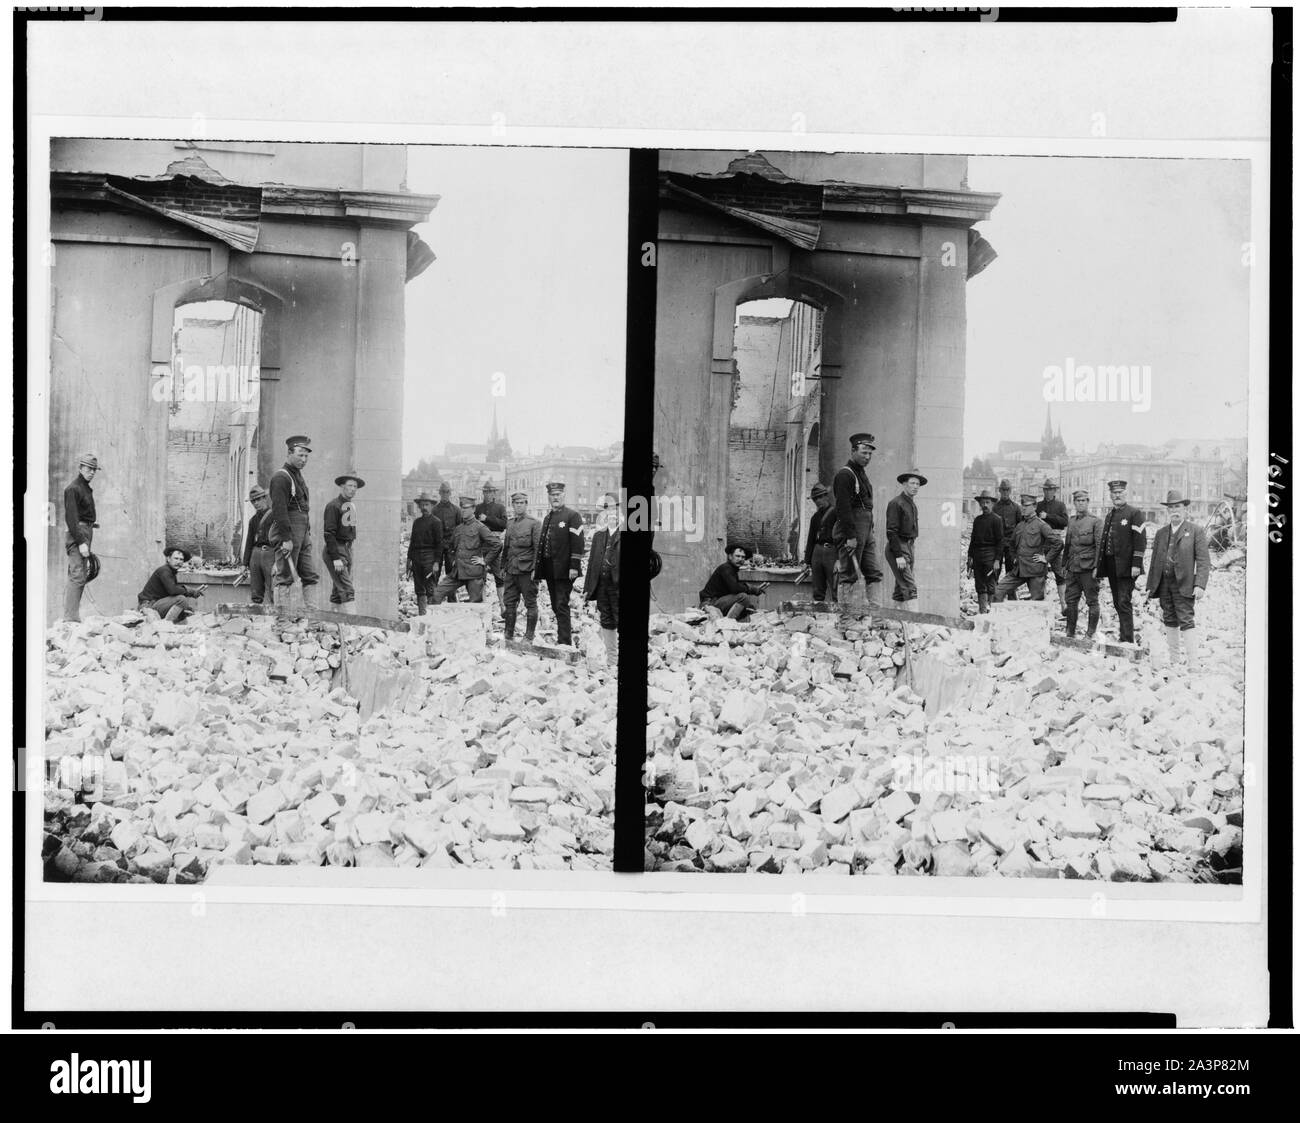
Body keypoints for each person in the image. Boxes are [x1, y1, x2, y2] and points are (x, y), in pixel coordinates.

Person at [1145, 490, 1210, 671]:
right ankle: (1174, 660)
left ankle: (1193, 662)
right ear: (1167, 510)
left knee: (1186, 620)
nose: (1175, 510)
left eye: (1178, 506)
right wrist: (1151, 586)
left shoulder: (1196, 531)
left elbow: (1204, 561)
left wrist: (1200, 585)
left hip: (1186, 583)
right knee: (1169, 619)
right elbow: (1154, 561)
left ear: (1184, 509)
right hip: (1164, 583)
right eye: (1171, 507)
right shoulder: (1160, 533)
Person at [267, 435, 320, 611]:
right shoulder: (281, 477)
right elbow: (279, 511)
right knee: (285, 576)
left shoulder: (298, 476)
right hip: (289, 532)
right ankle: (283, 622)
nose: (304, 460)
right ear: (289, 453)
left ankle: (313, 620)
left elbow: (303, 509)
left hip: (302, 532)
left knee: (310, 574)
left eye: (306, 456)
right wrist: (286, 539)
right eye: (300, 455)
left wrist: (306, 534)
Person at [831, 432, 884, 605]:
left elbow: (867, 507)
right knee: (849, 574)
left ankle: (876, 617)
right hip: (852, 530)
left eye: (870, 454)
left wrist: (870, 529)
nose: (868, 457)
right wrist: (851, 536)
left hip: (866, 530)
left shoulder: (861, 473)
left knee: (874, 572)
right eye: (864, 453)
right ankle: (847, 620)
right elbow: (843, 509)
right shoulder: (845, 475)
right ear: (853, 451)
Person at [1094, 479, 1147, 644]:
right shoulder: (1110, 514)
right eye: (1114, 493)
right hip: (1111, 566)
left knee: (1124, 601)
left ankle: (1127, 640)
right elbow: (1104, 543)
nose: (1117, 495)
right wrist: (1099, 566)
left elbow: (1141, 541)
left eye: (1120, 492)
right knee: (1118, 602)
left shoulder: (1134, 513)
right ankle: (1124, 636)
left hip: (1127, 567)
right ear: (1110, 495)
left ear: (1126, 493)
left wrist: (1136, 565)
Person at [533, 481, 585, 645]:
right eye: (552, 495)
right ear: (548, 497)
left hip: (564, 570)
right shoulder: (548, 517)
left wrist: (574, 567)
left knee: (561, 604)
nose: (555, 498)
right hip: (550, 569)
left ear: (564, 495)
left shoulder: (572, 516)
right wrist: (538, 569)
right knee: (556, 605)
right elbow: (542, 545)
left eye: (558, 495)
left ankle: (565, 643)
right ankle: (563, 638)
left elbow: (578, 543)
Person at [433, 497, 500, 604]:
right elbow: (450, 548)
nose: (463, 510)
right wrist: (453, 559)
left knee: (475, 605)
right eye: (462, 508)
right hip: (457, 572)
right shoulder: (458, 529)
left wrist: (485, 561)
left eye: (466, 508)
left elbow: (497, 544)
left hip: (474, 574)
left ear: (473, 509)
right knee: (436, 594)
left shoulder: (480, 527)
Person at [583, 491, 622, 668]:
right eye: (607, 508)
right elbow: (592, 563)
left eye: (614, 507)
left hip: (619, 586)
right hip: (602, 586)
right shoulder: (599, 535)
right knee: (607, 619)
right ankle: (613, 661)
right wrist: (587, 587)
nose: (610, 511)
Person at [62, 452, 101, 622]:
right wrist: (81, 542)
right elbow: (71, 519)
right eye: (88, 468)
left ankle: (72, 616)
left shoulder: (84, 487)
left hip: (85, 531)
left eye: (94, 469)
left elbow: (84, 514)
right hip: (78, 533)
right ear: (80, 468)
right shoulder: (73, 488)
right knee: (78, 574)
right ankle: (70, 618)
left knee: (81, 574)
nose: (91, 472)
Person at [994, 493, 1052, 602]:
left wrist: (1046, 558)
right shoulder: (1020, 526)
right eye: (1022, 506)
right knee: (998, 591)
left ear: (1034, 507)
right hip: (1019, 570)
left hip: (1035, 571)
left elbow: (1058, 543)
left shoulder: (1041, 525)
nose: (1023, 508)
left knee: (1037, 603)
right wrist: (1015, 557)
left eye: (1027, 506)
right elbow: (1011, 545)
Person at [500, 491, 542, 641]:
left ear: (526, 504)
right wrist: (503, 566)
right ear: (512, 505)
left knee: (530, 603)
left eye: (522, 503)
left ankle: (529, 637)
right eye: (516, 503)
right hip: (511, 569)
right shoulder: (510, 523)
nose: (519, 506)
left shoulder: (534, 523)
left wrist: (536, 570)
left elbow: (538, 549)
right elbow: (506, 547)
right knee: (509, 602)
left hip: (527, 570)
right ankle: (508, 634)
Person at [1062, 489, 1103, 639]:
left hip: (1088, 568)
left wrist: (1098, 568)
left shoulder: (1096, 521)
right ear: (1074, 503)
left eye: (1084, 500)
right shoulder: (1071, 521)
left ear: (1088, 502)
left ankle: (1090, 633)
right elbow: (1067, 545)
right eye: (1078, 501)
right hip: (1073, 568)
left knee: (1092, 601)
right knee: (1071, 600)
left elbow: (1100, 546)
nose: (1081, 503)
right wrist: (1064, 565)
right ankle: (1070, 632)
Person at [323, 471, 364, 613]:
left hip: (346, 549)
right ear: (342, 486)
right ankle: (353, 625)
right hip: (335, 549)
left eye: (355, 486)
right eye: (350, 485)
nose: (353, 489)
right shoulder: (333, 506)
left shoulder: (350, 506)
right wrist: (336, 558)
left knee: (338, 589)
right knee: (347, 588)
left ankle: (333, 623)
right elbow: (329, 533)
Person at [886, 469, 926, 607]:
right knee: (910, 587)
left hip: (909, 547)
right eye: (912, 483)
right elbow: (891, 531)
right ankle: (915, 626)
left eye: (918, 484)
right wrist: (898, 556)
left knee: (900, 590)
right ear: (904, 484)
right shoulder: (896, 503)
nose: (915, 486)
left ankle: (889, 622)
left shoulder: (912, 504)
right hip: (898, 547)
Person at [700, 543, 768, 620]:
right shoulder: (726, 568)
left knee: (748, 607)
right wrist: (752, 589)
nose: (740, 559)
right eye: (737, 556)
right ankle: (727, 623)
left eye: (743, 557)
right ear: (730, 557)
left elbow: (735, 588)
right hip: (710, 604)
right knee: (743, 597)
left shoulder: (732, 569)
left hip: (717, 601)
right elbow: (735, 588)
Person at [139, 547, 207, 623]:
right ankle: (165, 625)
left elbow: (172, 592)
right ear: (168, 559)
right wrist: (190, 591)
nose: (178, 562)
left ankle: (177, 626)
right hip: (149, 607)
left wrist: (190, 594)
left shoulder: (171, 571)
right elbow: (173, 590)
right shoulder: (165, 570)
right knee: (181, 599)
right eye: (176, 558)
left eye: (181, 559)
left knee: (185, 609)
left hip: (156, 604)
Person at [406, 491, 444, 615]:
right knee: (419, 588)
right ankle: (422, 615)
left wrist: (437, 562)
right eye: (422, 505)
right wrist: (409, 560)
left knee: (431, 588)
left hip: (430, 557)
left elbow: (439, 544)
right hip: (417, 558)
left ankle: (432, 617)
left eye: (427, 505)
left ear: (432, 506)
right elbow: (412, 542)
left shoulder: (436, 522)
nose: (424, 507)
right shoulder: (417, 522)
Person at [966, 489, 1004, 614]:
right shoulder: (977, 520)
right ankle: (983, 611)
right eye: (983, 503)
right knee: (980, 584)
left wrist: (997, 560)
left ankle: (991, 612)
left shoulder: (997, 520)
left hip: (991, 555)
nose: (985, 505)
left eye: (988, 502)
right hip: (978, 556)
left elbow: (1000, 541)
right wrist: (970, 558)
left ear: (992, 504)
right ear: (980, 504)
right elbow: (973, 540)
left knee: (991, 584)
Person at [1036, 479, 1070, 613]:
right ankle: (1041, 606)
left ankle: (1064, 604)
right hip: (1042, 542)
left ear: (1055, 491)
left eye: (1050, 489)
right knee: (1040, 573)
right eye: (1046, 489)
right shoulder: (1038, 505)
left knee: (1060, 573)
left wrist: (1048, 516)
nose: (1048, 492)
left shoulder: (1060, 505)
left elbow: (1065, 521)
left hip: (1056, 542)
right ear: (1043, 491)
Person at [803, 482, 837, 603]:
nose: (818, 501)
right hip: (817, 552)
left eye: (820, 497)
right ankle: (820, 615)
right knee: (818, 587)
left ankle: (839, 617)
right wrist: (806, 561)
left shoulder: (836, 513)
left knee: (835, 586)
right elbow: (811, 539)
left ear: (826, 496)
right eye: (815, 499)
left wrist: (839, 559)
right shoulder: (815, 517)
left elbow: (842, 537)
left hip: (832, 551)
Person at [241, 485, 275, 606]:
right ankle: (257, 617)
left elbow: (282, 539)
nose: (256, 503)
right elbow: (249, 542)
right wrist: (244, 564)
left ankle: (278, 618)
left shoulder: (275, 516)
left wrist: (278, 561)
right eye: (253, 501)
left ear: (265, 498)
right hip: (255, 555)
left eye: (258, 499)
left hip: (271, 554)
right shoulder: (253, 520)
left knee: (274, 588)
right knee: (256, 588)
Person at [431, 482, 463, 593]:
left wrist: (457, 547)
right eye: (443, 492)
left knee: (451, 573)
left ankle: (451, 597)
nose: (445, 494)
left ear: (450, 493)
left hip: (451, 546)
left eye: (447, 492)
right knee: (435, 571)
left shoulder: (456, 510)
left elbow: (460, 530)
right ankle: (434, 596)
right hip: (437, 546)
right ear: (439, 493)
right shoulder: (434, 510)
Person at [991, 478, 1022, 596]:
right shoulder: (995, 508)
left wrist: (1018, 545)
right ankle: (994, 596)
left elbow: (1020, 527)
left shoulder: (1016, 508)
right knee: (995, 571)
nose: (1005, 492)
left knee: (1011, 572)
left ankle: (1011, 596)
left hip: (1011, 545)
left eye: (1007, 490)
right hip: (997, 545)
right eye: (1003, 490)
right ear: (999, 490)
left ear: (1010, 491)